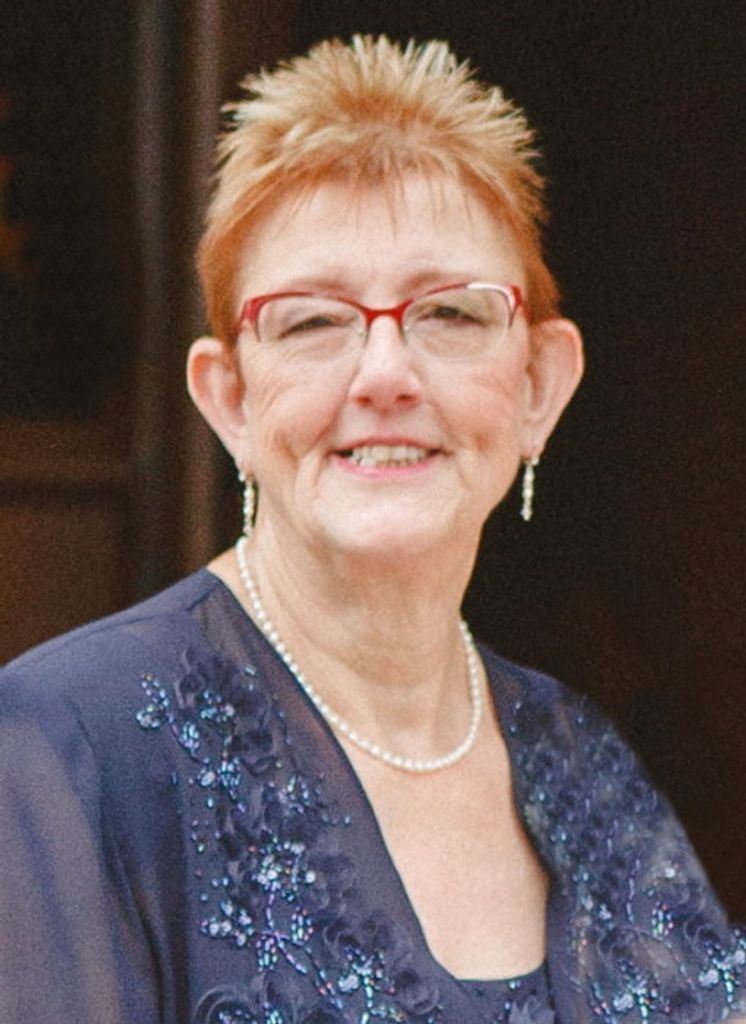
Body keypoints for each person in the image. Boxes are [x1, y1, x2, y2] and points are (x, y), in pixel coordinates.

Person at [0, 35, 743, 1024]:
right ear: (230, 400)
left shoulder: (583, 765)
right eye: (312, 321)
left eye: (450, 314)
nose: (385, 374)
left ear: (538, 387)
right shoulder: (65, 748)